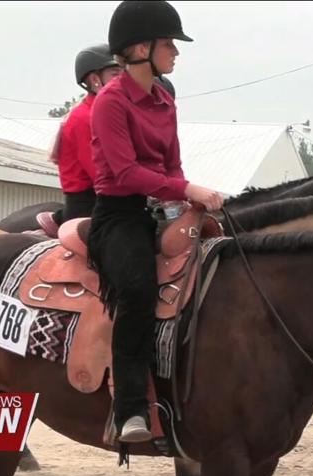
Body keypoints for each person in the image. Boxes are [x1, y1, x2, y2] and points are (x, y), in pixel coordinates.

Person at [89, 0, 223, 443]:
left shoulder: (165, 99)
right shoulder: (109, 102)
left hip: (160, 210)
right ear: (141, 48)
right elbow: (126, 173)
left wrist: (186, 205)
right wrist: (188, 192)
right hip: (119, 216)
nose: (176, 52)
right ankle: (130, 410)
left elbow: (173, 166)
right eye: (169, 44)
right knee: (137, 289)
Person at [37, 44, 123, 237]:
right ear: (94, 80)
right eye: (116, 75)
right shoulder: (84, 118)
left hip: (108, 200)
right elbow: (100, 173)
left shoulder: (110, 115)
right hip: (88, 207)